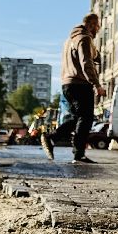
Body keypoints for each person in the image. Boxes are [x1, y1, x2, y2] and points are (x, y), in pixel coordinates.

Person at [42, 13, 105, 164]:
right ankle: (77, 153)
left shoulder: (69, 40)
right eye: (97, 26)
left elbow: (91, 56)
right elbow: (86, 63)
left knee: (78, 118)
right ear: (91, 24)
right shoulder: (84, 38)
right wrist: (97, 85)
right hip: (80, 84)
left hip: (67, 85)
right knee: (86, 118)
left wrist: (95, 52)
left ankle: (53, 139)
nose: (98, 30)